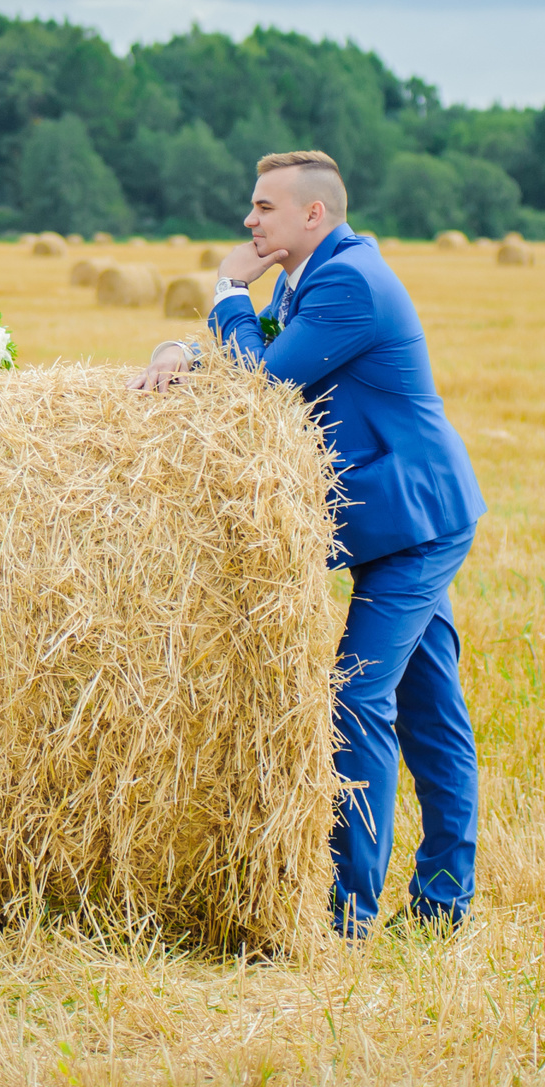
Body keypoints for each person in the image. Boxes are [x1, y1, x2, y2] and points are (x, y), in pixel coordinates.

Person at [133, 149, 484, 934]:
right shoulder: (313, 278)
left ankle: (347, 913)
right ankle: (442, 905)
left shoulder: (349, 281)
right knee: (430, 710)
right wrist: (180, 352)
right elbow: (256, 347)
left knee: (357, 698)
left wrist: (225, 290)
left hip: (414, 520)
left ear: (312, 214)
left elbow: (264, 383)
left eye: (263, 206)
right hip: (396, 516)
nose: (249, 221)